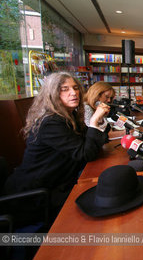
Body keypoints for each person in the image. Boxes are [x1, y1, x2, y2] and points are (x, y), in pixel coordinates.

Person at [4, 72, 110, 216]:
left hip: (60, 182)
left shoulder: (69, 116)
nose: (73, 93)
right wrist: (93, 122)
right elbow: (87, 153)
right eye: (64, 89)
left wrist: (99, 121)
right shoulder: (51, 122)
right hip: (38, 194)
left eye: (75, 88)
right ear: (52, 95)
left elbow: (94, 142)